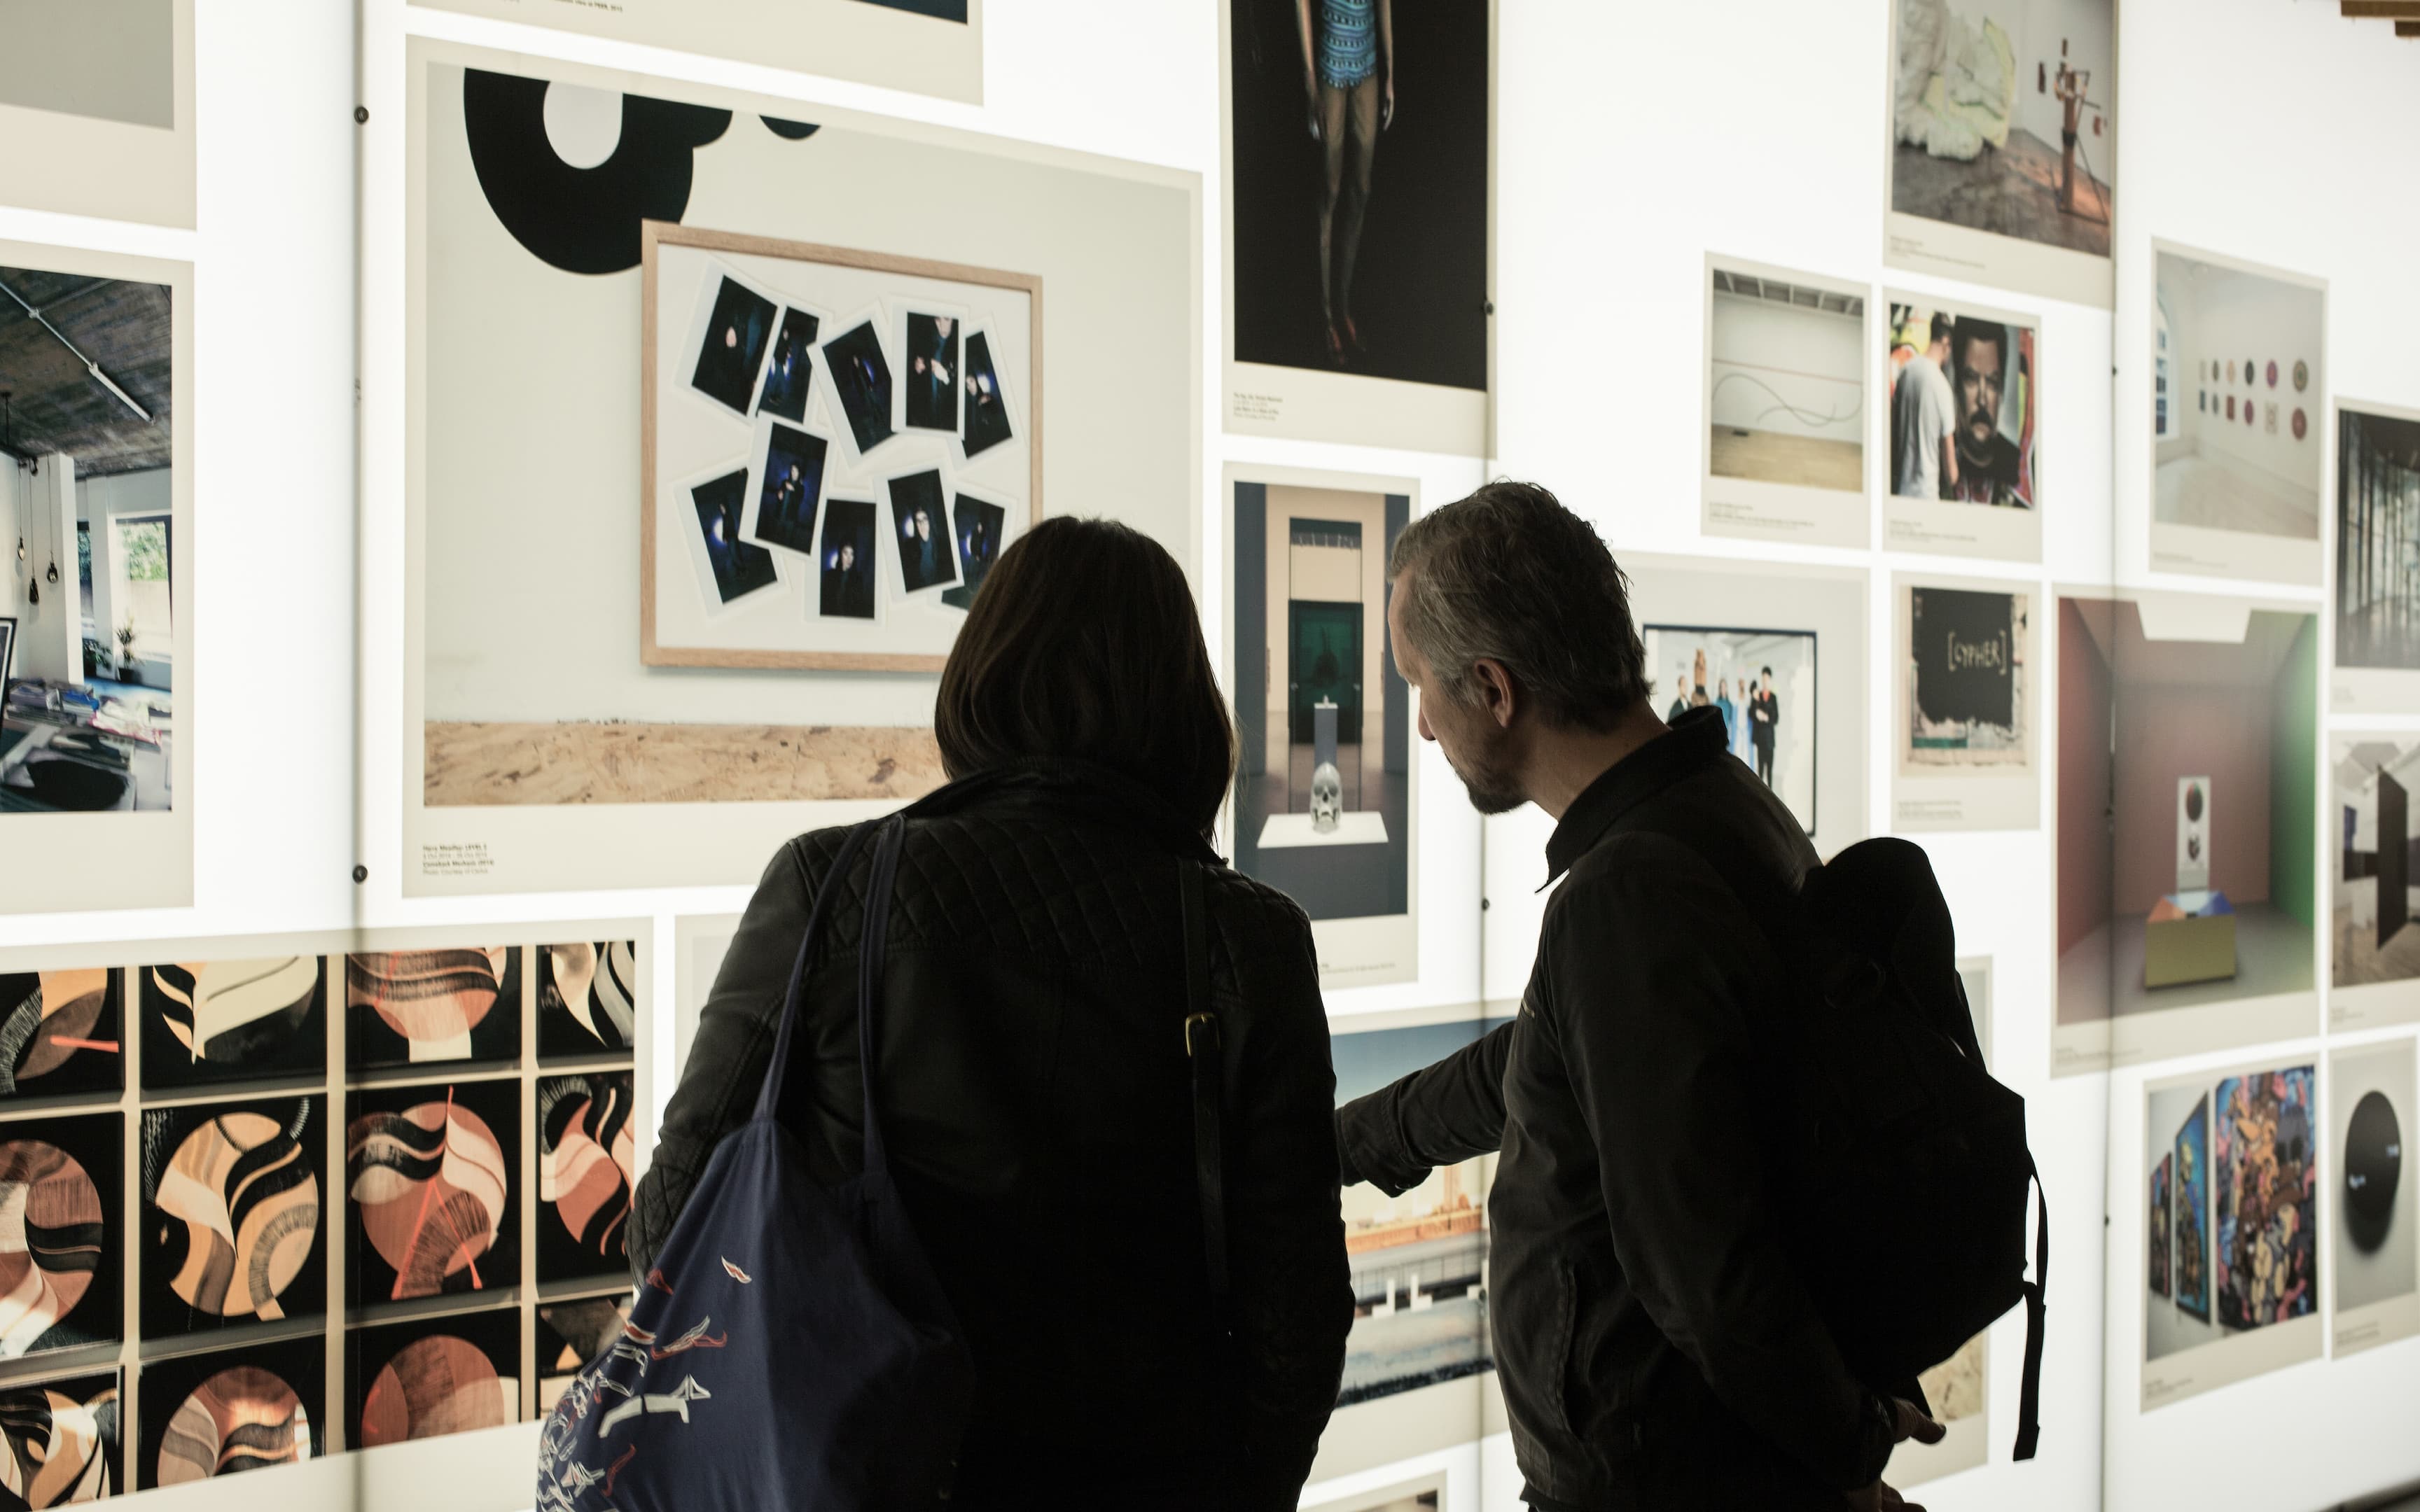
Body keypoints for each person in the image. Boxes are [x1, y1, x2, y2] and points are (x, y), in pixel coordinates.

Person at [633, 517, 1351, 1508]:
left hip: (871, 1482)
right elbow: (1296, 1325)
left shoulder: (832, 887)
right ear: (1185, 706)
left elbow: (675, 1229)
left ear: (984, 676)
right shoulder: (1249, 939)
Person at [1333, 482, 1942, 1511]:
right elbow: (1546, 1061)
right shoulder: (1717, 807)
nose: (1424, 728)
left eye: (1418, 687)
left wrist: (1852, 1458)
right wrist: (1350, 1144)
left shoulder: (1625, 894)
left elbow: (1706, 1276)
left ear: (1493, 689)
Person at [1296, 0, 1393, 364]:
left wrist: (1391, 72)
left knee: (1361, 190)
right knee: (1331, 191)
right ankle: (1326, 317)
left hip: (1366, 69)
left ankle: (1343, 306)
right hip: (1331, 71)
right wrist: (1310, 83)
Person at [1947, 318, 2030, 507]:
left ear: (2001, 392)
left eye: (1992, 383)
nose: (1982, 400)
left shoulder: (2016, 465)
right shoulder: (1938, 457)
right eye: (1971, 380)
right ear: (1956, 386)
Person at [1891, 313, 1959, 501]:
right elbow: (1951, 474)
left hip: (1899, 491)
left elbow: (1893, 432)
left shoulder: (1906, 371)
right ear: (1946, 342)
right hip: (1925, 496)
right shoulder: (1943, 388)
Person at [1751, 664, 1779, 787]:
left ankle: (1771, 794)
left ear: (1770, 680)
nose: (1764, 682)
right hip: (1760, 740)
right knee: (1761, 772)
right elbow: (1751, 713)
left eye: (1767, 679)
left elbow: (1776, 718)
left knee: (1769, 773)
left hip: (1770, 741)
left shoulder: (1773, 698)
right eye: (1763, 679)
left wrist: (1767, 718)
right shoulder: (1758, 696)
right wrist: (1756, 713)